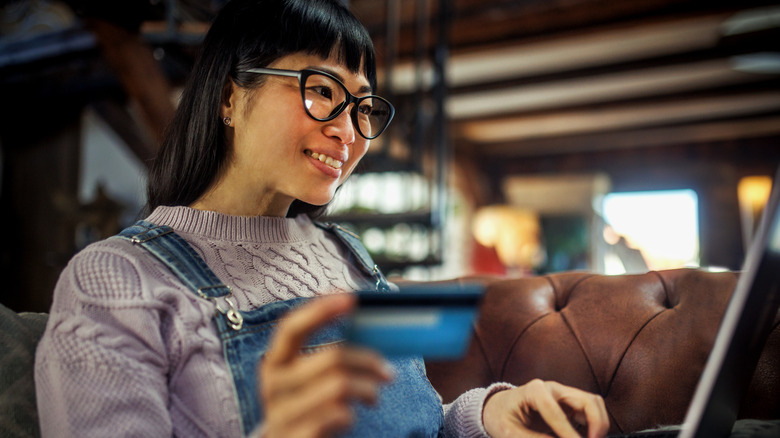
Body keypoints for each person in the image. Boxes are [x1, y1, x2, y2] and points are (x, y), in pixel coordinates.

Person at [34, 0, 610, 437]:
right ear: (231, 98)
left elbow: (413, 416)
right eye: (321, 90)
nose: (349, 130)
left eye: (362, 105)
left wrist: (487, 413)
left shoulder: (347, 255)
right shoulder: (114, 281)